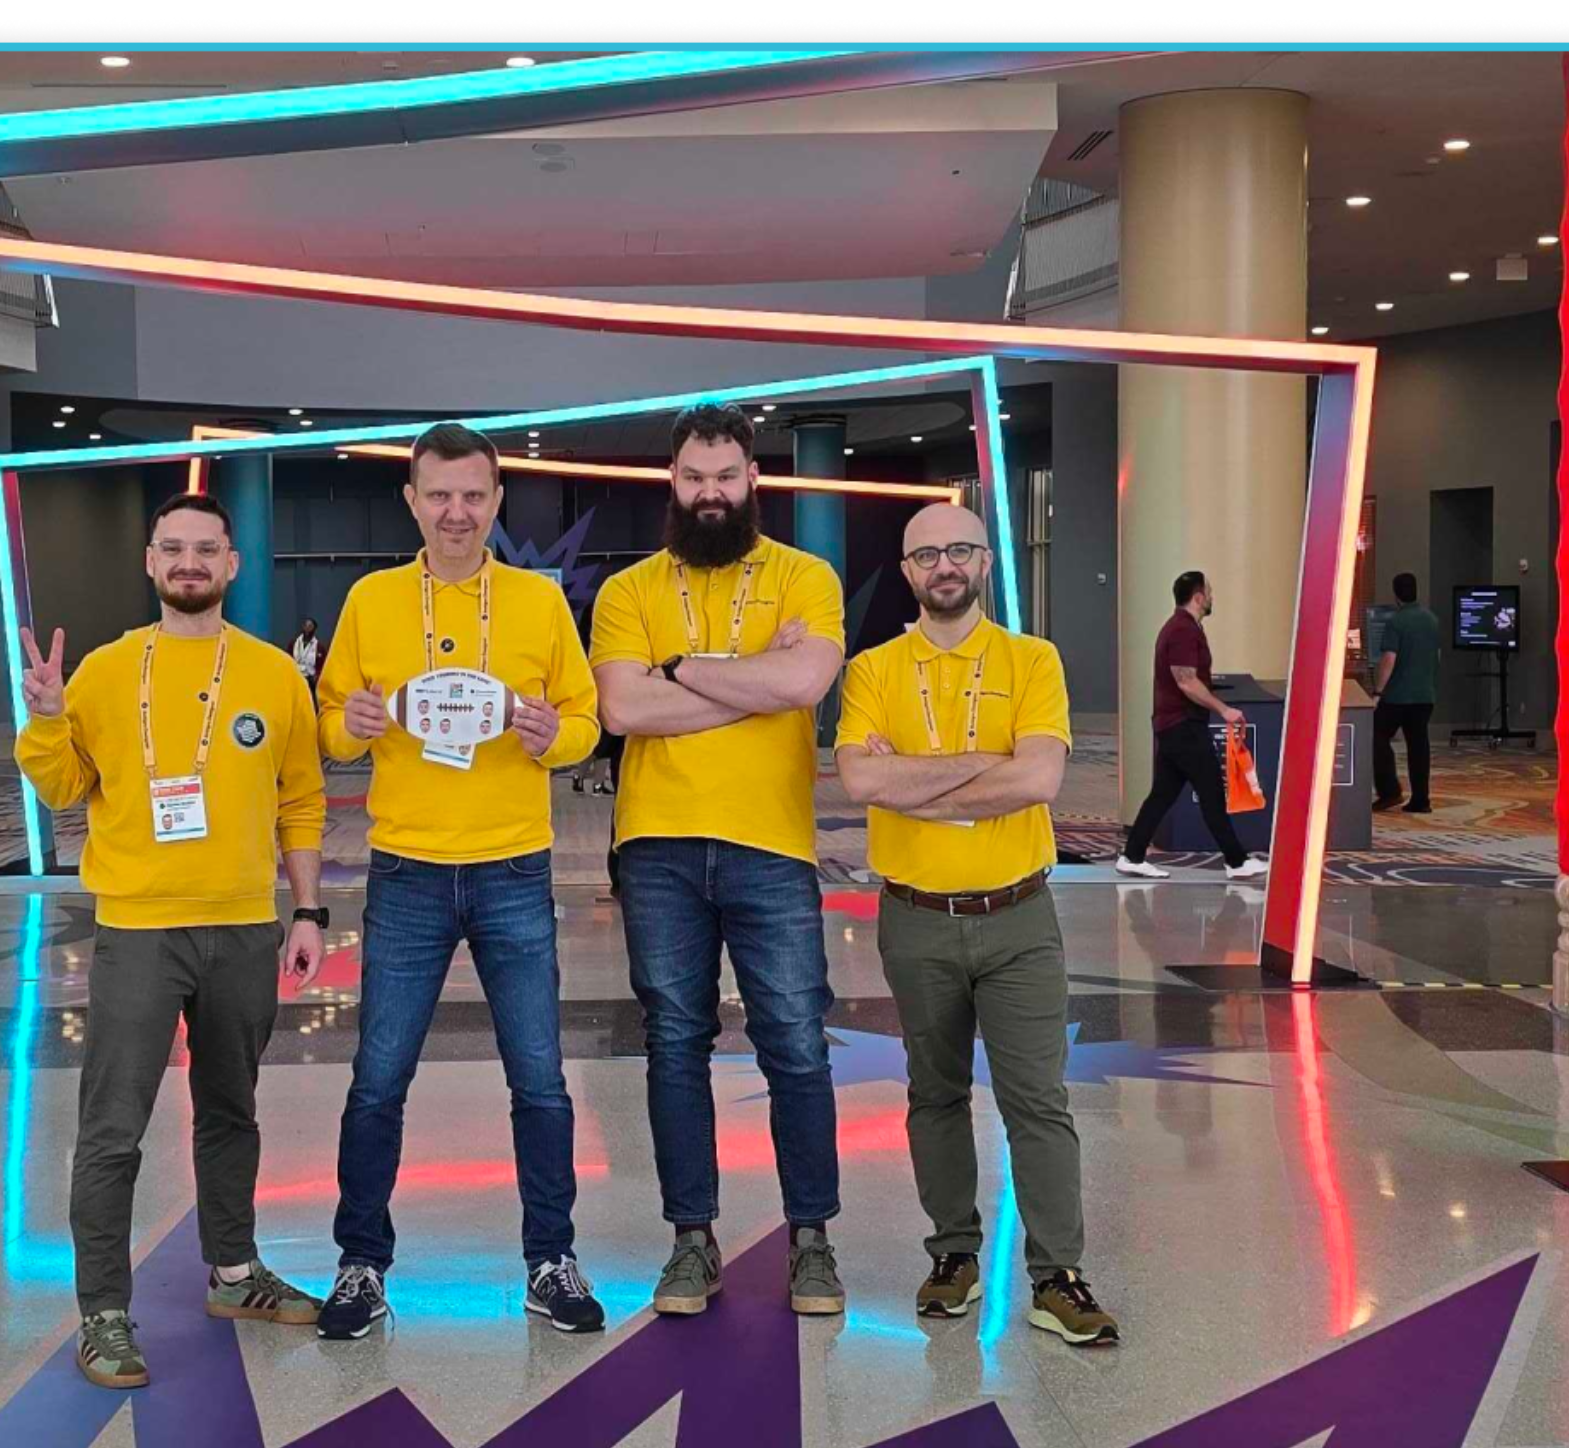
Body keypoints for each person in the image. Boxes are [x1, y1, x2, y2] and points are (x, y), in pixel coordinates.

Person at [15, 491, 329, 1391]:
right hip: (139, 931)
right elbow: (67, 788)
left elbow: (300, 800)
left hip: (240, 927)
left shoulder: (273, 675)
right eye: (173, 548)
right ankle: (103, 1315)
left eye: (207, 549)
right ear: (151, 564)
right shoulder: (109, 672)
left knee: (233, 1111)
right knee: (113, 1129)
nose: (190, 562)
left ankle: (235, 1275)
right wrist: (45, 717)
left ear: (232, 565)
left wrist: (305, 912)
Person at [314, 423, 605, 1339]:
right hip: (405, 872)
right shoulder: (371, 600)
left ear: (496, 500)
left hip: (514, 865)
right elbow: (329, 725)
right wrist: (352, 721)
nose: (456, 511)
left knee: (542, 1081)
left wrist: (548, 737)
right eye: (438, 494)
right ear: (411, 499)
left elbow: (588, 722)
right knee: (377, 1079)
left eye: (473, 495)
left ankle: (550, 1261)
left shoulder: (535, 602)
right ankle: (361, 1266)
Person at [835, 504, 1118, 1346]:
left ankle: (1057, 1275)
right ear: (908, 569)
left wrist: (915, 779)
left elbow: (1039, 779)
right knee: (936, 1094)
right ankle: (952, 1253)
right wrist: (985, 769)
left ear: (986, 561)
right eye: (927, 555)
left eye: (959, 549)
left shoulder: (1033, 660)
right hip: (915, 918)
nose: (944, 566)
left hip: (1019, 916)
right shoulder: (874, 670)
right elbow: (861, 784)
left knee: (1038, 1100)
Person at [590, 401, 847, 1318]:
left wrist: (678, 670)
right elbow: (622, 714)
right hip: (656, 847)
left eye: (725, 476)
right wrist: (745, 680)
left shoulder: (806, 578)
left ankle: (811, 1237)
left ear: (752, 480)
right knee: (674, 1044)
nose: (709, 493)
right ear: (673, 482)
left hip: (772, 845)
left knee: (795, 1043)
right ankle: (691, 1241)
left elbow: (806, 684)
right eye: (693, 478)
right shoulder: (628, 592)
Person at [1115, 571, 1269, 881]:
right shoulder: (1183, 631)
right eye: (1209, 592)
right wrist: (1224, 709)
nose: (1212, 597)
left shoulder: (1182, 628)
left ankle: (1132, 856)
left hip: (1174, 724)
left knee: (1162, 794)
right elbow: (1186, 681)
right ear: (1198, 597)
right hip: (1183, 725)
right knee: (1211, 792)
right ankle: (1236, 861)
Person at [1373, 572, 1440, 813]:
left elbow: (1389, 659)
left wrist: (1378, 691)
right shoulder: (1431, 620)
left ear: (1396, 595)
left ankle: (1389, 790)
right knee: (1418, 746)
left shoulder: (1396, 622)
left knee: (1376, 737)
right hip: (1424, 695)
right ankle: (1421, 800)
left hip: (1397, 696)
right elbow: (1436, 656)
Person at [292, 617, 323, 690]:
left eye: (310, 626)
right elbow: (288, 659)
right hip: (296, 677)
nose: (307, 628)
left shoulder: (319, 646)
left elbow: (322, 664)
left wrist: (317, 676)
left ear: (314, 629)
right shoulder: (294, 643)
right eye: (306, 626)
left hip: (310, 679)